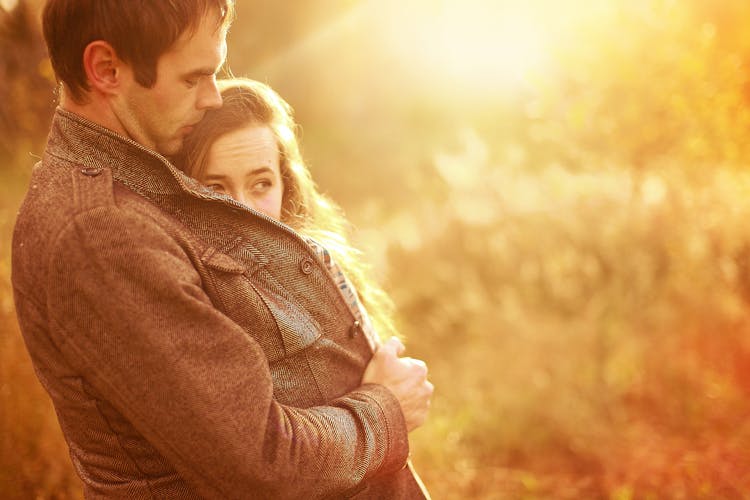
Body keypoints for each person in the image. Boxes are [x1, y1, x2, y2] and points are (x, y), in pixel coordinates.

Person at [11, 2, 433, 499]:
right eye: (194, 78)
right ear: (106, 69)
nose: (213, 98)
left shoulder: (144, 184)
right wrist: (384, 410)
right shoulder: (102, 233)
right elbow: (260, 462)